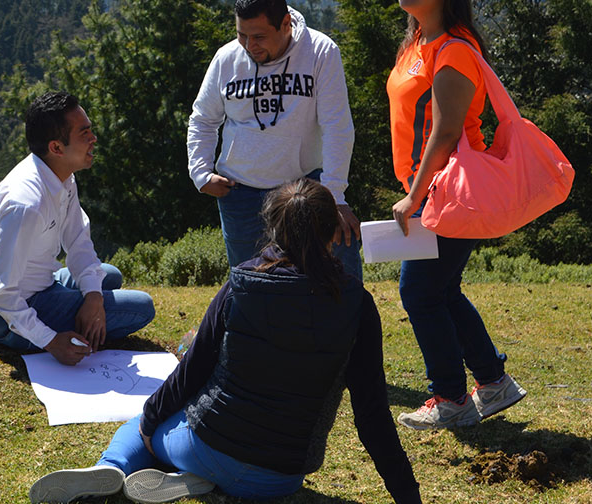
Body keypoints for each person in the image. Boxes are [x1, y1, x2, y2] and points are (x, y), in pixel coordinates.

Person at [28, 178, 422, 504]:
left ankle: (114, 466)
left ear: (272, 227)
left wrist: (149, 423)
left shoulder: (241, 283)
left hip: (205, 446)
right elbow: (372, 417)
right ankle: (200, 481)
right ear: (333, 232)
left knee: (141, 426)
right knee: (208, 452)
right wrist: (408, 496)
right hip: (277, 480)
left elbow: (193, 368)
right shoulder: (357, 303)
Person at [380, 0, 527, 430]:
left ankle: (451, 398)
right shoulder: (418, 42)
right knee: (440, 291)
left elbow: (445, 131)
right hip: (433, 189)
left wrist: (413, 196)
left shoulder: (456, 49)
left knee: (420, 293)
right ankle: (492, 382)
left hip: (447, 191)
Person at [187, 0, 362, 279]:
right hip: (240, 193)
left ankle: (349, 324)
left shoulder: (320, 51)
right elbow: (203, 119)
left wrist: (335, 195)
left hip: (304, 188)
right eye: (241, 35)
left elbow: (337, 126)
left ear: (285, 25)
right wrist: (200, 172)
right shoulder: (227, 58)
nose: (249, 46)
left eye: (258, 37)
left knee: (334, 272)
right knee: (249, 283)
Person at [0, 91, 155, 366]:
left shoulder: (61, 176)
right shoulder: (25, 203)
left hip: (42, 284)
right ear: (57, 148)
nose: (93, 139)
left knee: (108, 276)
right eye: (85, 133)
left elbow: (78, 241)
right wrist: (50, 340)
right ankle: (50, 322)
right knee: (142, 307)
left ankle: (79, 304)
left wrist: (94, 299)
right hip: (7, 315)